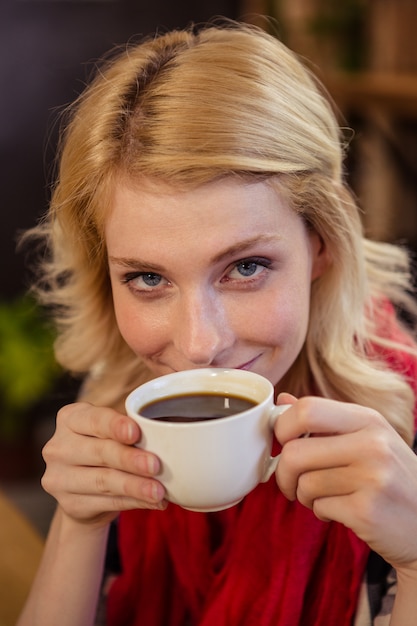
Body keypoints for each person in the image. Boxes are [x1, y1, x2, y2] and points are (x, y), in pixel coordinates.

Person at [17, 19, 417, 626]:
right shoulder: (120, 396)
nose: (199, 346)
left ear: (321, 245)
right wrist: (79, 523)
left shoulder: (402, 440)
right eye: (147, 279)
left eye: (247, 267)